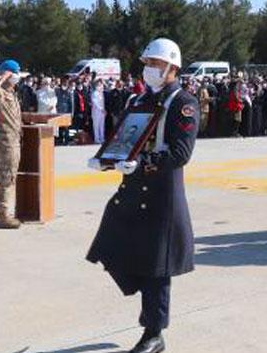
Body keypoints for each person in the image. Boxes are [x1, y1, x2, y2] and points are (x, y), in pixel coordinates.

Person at [87, 38, 199, 353]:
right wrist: (106, 158)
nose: (149, 69)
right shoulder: (137, 101)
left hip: (161, 194)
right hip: (131, 190)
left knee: (156, 268)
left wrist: (144, 163)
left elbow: (180, 153)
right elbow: (124, 138)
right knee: (109, 247)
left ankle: (154, 333)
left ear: (172, 67)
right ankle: (140, 292)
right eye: (147, 63)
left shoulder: (183, 102)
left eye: (155, 64)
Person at [0, 60, 24, 229]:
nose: (17, 77)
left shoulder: (11, 94)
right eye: (15, 73)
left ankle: (5, 211)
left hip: (14, 140)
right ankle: (2, 215)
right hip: (5, 142)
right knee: (6, 178)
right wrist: (2, 76)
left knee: (10, 177)